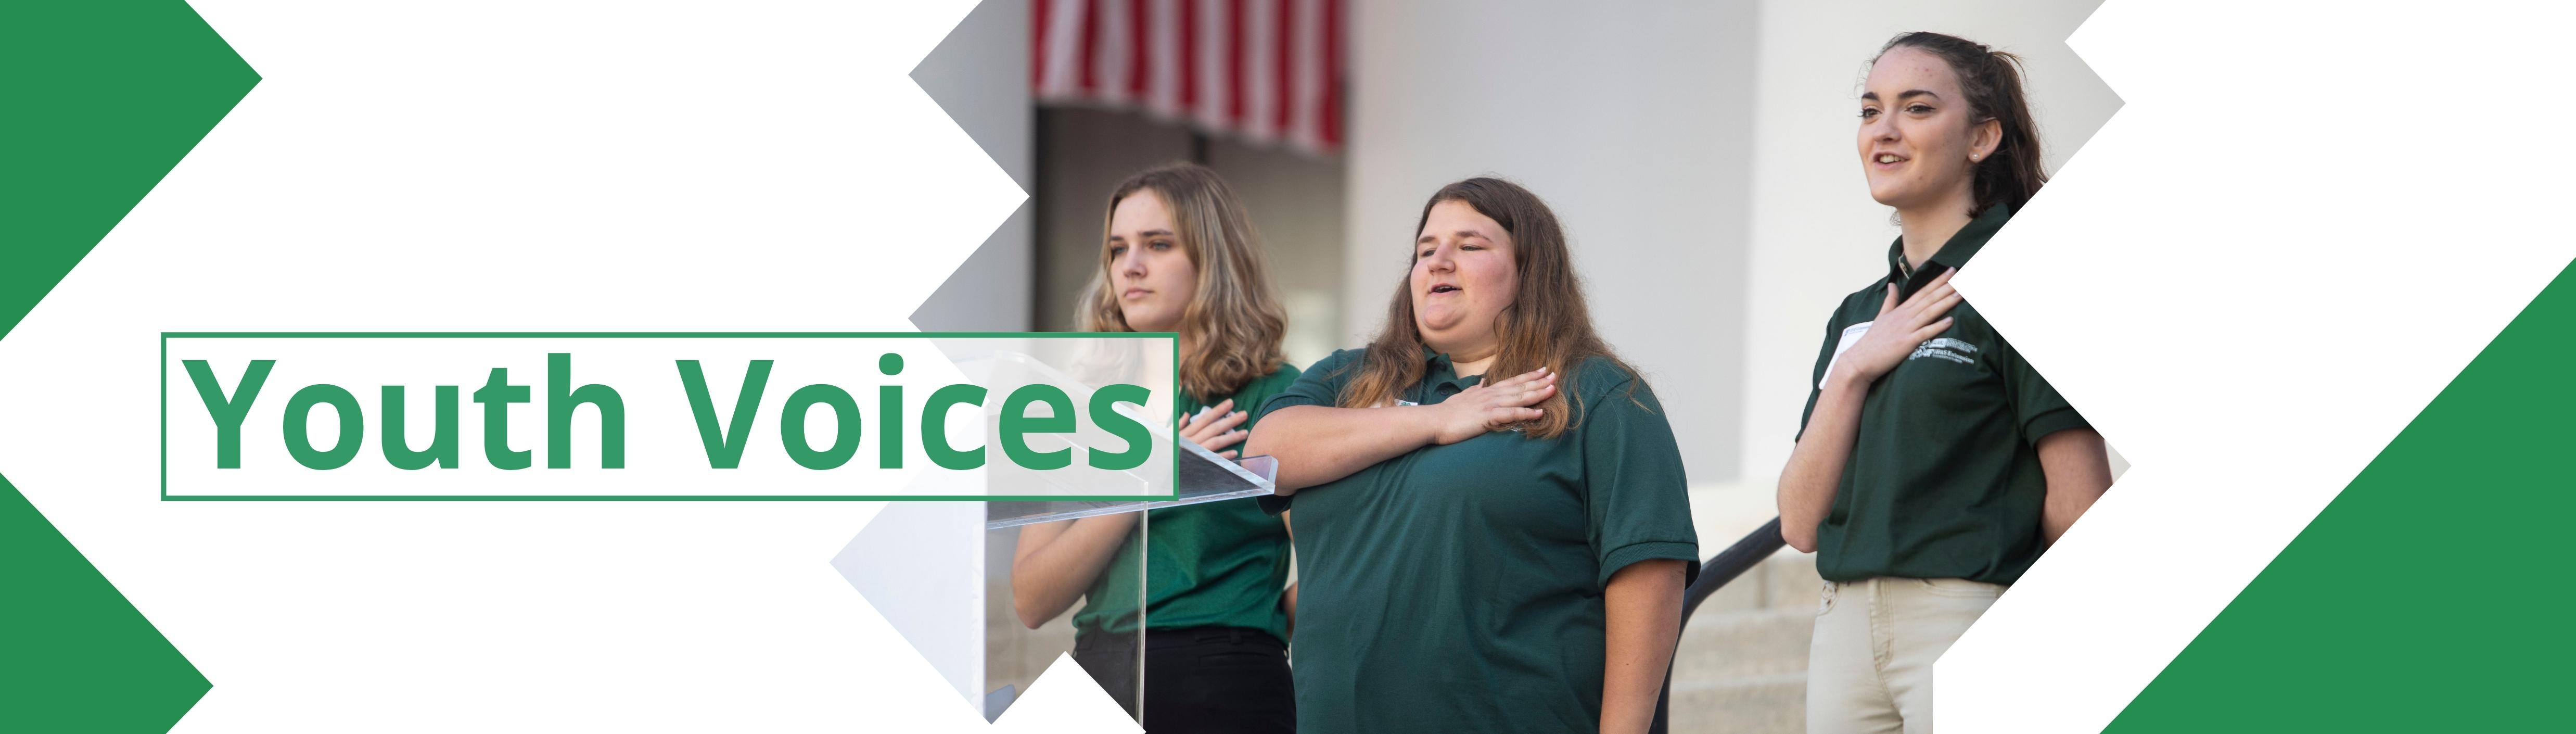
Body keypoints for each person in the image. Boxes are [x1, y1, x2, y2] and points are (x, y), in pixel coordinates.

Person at [1243, 177, 1698, 734]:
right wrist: (1437, 421)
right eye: (1425, 250)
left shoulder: (1598, 394)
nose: (1438, 261)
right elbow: (1264, 457)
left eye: (1470, 246)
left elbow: (1650, 574)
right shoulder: (1350, 377)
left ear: (1530, 272)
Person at [1777, 32, 2115, 734]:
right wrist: (1853, 369)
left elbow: (2080, 502)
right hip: (1841, 628)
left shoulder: (2027, 282)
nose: (1884, 130)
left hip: (1963, 614)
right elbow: (1799, 521)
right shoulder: (1857, 315)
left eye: (1917, 108)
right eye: (1870, 110)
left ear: (1982, 137)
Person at [1010, 163, 1300, 733]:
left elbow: (1339, 558)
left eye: (1158, 244)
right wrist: (1150, 480)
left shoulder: (1276, 394)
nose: (1131, 266)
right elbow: (1033, 599)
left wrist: (1260, 625)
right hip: (1100, 666)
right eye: (1118, 249)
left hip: (1225, 674)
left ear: (1213, 258)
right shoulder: (1078, 409)